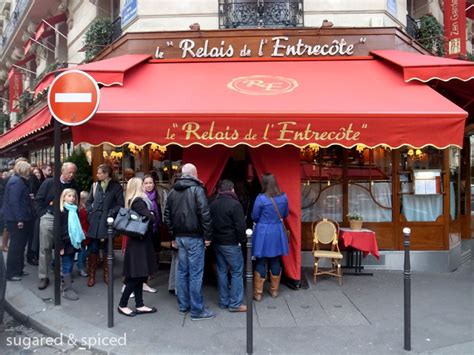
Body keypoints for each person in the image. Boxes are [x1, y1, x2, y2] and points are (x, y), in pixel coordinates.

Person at [164, 163, 215, 320]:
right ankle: (197, 310)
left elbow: (167, 216)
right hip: (195, 238)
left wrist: (173, 236)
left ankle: (183, 305)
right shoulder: (197, 190)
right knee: (195, 274)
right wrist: (208, 237)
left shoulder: (173, 191)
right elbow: (205, 214)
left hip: (180, 237)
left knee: (182, 272)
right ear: (194, 174)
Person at [35, 162, 79, 290]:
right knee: (45, 248)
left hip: (65, 218)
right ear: (62, 171)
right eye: (69, 172)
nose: (71, 175)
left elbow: (76, 200)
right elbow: (38, 200)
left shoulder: (73, 184)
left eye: (73, 173)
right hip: (50, 216)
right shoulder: (49, 182)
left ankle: (64, 275)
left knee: (65, 247)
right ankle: (43, 276)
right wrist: (43, 214)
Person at [118, 177, 158, 317]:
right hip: (139, 243)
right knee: (136, 276)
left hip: (137, 242)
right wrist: (152, 214)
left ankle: (140, 304)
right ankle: (122, 304)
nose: (145, 186)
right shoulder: (139, 202)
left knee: (140, 275)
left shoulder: (132, 201)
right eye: (142, 184)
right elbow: (151, 218)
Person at [209, 180, 247, 312]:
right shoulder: (235, 205)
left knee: (221, 271)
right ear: (232, 190)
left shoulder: (213, 204)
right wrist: (242, 241)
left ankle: (223, 301)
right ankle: (235, 304)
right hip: (231, 243)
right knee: (236, 272)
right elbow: (241, 226)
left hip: (217, 242)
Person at [251, 173, 289, 301]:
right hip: (277, 231)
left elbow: (254, 216)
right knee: (276, 260)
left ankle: (258, 293)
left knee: (261, 261)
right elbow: (285, 214)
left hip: (263, 231)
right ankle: (274, 291)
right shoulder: (284, 197)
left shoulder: (261, 198)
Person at [86, 164, 124, 287]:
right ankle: (91, 276)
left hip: (108, 223)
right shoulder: (95, 185)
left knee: (108, 249)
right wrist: (90, 211)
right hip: (95, 222)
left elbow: (120, 204)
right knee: (93, 249)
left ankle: (107, 275)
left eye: (99, 173)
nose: (97, 175)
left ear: (106, 174)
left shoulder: (116, 187)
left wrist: (111, 212)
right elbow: (88, 201)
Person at [4, 160, 34, 281]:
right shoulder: (17, 182)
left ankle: (18, 270)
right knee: (16, 246)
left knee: (19, 245)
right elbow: (14, 202)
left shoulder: (16, 181)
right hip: (16, 219)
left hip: (16, 217)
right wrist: (19, 219)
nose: (30, 172)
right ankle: (12, 273)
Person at [58, 189, 85, 300]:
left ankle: (65, 285)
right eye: (69, 196)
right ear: (63, 197)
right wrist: (60, 246)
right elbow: (58, 229)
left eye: (73, 196)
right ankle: (66, 289)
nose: (72, 198)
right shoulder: (61, 211)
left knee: (69, 264)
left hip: (72, 242)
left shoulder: (74, 210)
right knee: (67, 264)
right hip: (65, 242)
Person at [77, 191, 90, 277]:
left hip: (84, 231)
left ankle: (82, 266)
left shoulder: (80, 209)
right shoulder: (82, 210)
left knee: (83, 250)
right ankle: (81, 267)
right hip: (83, 232)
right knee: (82, 251)